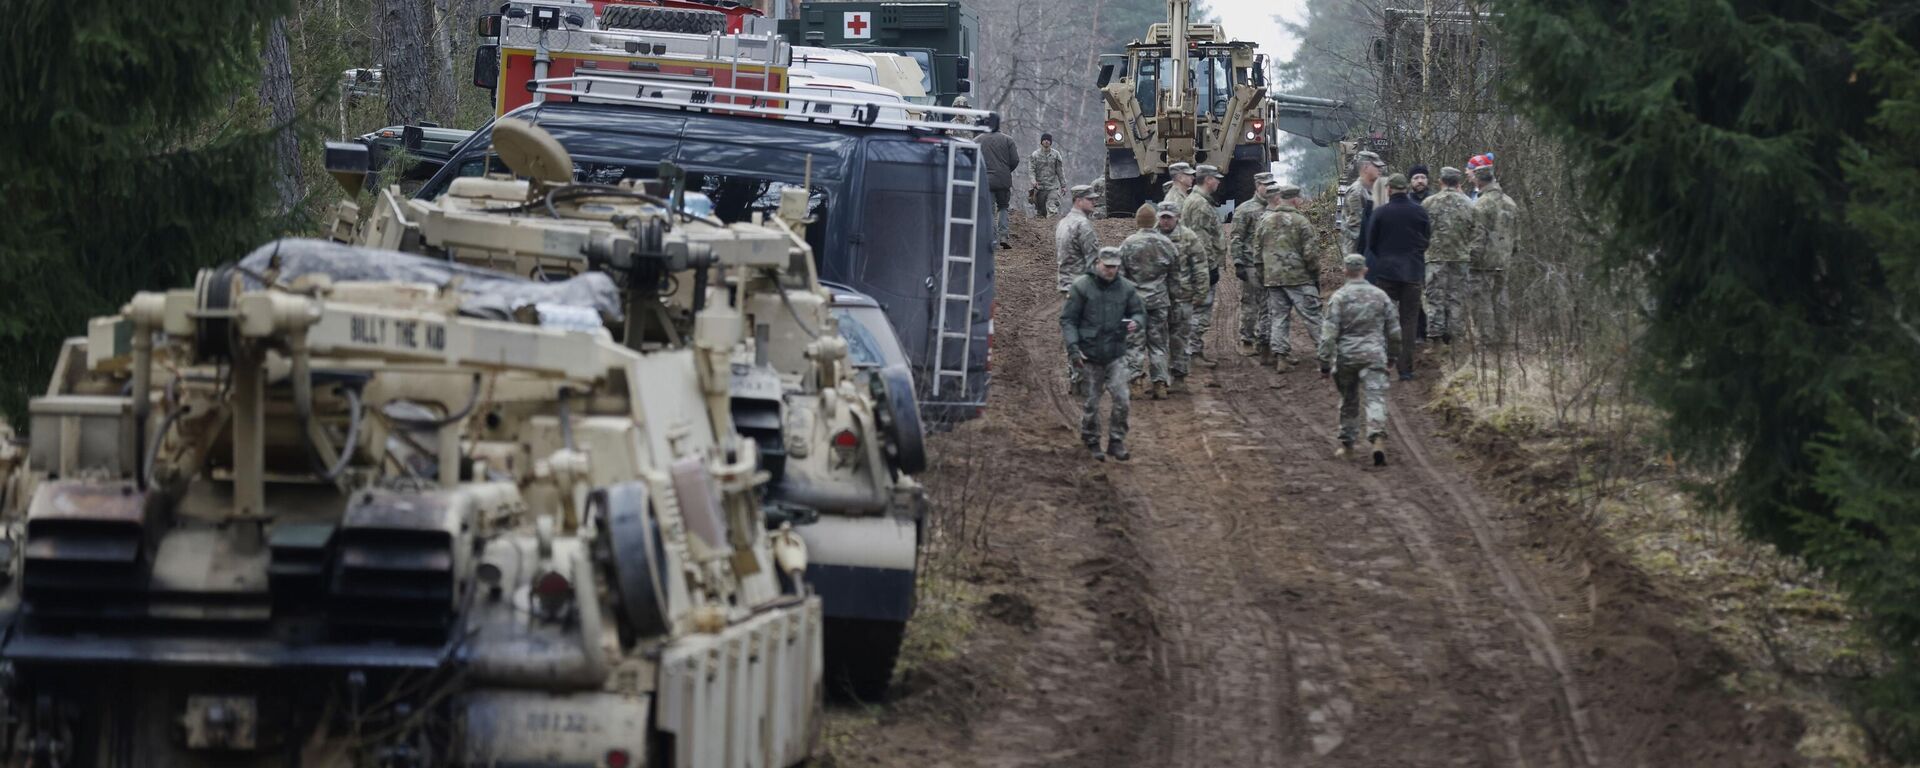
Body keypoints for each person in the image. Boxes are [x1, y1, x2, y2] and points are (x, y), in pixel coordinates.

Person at [1062, 248, 1145, 461]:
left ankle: (1116, 441)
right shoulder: (1082, 287)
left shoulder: (1126, 288)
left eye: (1114, 267)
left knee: (1122, 399)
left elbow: (1138, 311)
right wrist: (1073, 349)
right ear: (1098, 263)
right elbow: (1068, 320)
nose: (1110, 270)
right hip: (1089, 355)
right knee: (1091, 403)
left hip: (1115, 353)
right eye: (1107, 266)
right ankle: (1091, 441)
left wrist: (1136, 322)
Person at [1318, 254, 1402, 466]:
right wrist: (1392, 356)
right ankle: (1377, 438)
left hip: (1347, 356)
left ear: (1345, 271)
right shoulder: (1380, 296)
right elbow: (1394, 331)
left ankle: (1348, 445)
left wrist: (1324, 363)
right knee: (1375, 398)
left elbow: (1328, 335)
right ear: (1365, 270)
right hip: (1374, 354)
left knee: (1349, 400)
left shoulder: (1339, 297)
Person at [1363, 173, 1429, 381]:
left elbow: (1371, 243)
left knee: (1385, 317)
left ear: (1389, 189)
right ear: (1406, 188)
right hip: (1412, 273)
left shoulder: (1380, 213)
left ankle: (1384, 363)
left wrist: (1384, 258)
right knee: (1409, 321)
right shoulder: (1419, 211)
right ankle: (1405, 369)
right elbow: (1427, 239)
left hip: (1387, 273)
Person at [1257, 181, 1322, 372]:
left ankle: (1281, 358)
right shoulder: (1301, 221)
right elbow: (1310, 254)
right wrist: (1314, 274)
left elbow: (1257, 252)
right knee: (1313, 316)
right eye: (1299, 198)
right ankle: (1326, 355)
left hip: (1273, 278)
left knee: (1279, 317)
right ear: (1294, 200)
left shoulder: (1265, 221)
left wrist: (1263, 274)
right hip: (1298, 278)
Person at [1119, 203, 1179, 399]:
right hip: (1159, 303)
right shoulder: (1167, 244)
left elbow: (1120, 278)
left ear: (1137, 222)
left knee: (1133, 345)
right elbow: (1174, 277)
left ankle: (1135, 382)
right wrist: (1174, 301)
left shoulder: (1128, 244)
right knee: (1159, 344)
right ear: (1155, 222)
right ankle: (1160, 383)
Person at [1420, 166, 1474, 345]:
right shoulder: (1468, 203)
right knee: (1456, 297)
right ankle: (1455, 336)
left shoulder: (1429, 202)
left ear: (1440, 181)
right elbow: (1475, 230)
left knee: (1435, 297)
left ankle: (1435, 337)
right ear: (1458, 182)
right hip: (1460, 257)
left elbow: (1422, 230)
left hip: (1435, 257)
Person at [1180, 164, 1227, 368]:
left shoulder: (1198, 201)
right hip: (1202, 266)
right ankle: (1192, 351)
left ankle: (1192, 349)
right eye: (1216, 178)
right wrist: (1209, 268)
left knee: (1198, 309)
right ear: (1208, 180)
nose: (1218, 182)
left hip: (1198, 265)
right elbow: (1201, 241)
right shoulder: (1199, 204)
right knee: (1201, 310)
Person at [1468, 163, 1518, 350]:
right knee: (1501, 297)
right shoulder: (1510, 202)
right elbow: (1516, 236)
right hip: (1504, 259)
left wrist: (1471, 257)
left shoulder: (1481, 204)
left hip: (1483, 261)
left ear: (1479, 181)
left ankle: (1486, 340)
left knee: (1481, 300)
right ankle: (1503, 337)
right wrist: (1509, 253)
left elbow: (1477, 235)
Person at [1157, 199, 1205, 393]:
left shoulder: (1188, 237)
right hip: (1157, 298)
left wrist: (1200, 293)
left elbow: (1200, 267)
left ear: (1177, 217)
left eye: (1169, 218)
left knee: (1180, 338)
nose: (1165, 221)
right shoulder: (1152, 236)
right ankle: (1159, 379)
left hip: (1182, 297)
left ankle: (1179, 377)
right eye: (1162, 218)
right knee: (1158, 340)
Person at [1231, 171, 1276, 356]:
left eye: (1272, 185)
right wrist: (1238, 262)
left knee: (1270, 305)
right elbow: (1236, 237)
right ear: (1258, 186)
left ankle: (1266, 341)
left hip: (1272, 265)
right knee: (1250, 303)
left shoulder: (1276, 208)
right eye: (1266, 185)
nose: (1269, 188)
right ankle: (1247, 340)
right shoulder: (1245, 209)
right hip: (1251, 264)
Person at [977, 114, 1020, 249]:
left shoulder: (977, 140)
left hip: (985, 181)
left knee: (989, 211)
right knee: (1003, 207)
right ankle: (1003, 236)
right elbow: (1015, 160)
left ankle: (992, 240)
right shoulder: (1008, 140)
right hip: (1003, 180)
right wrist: (1006, 171)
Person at [1055, 184, 1102, 292]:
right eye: (1089, 199)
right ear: (1078, 201)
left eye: (1094, 199)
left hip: (1065, 284)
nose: (1094, 203)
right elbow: (1093, 258)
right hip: (1082, 286)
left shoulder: (1063, 222)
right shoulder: (1083, 224)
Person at [1341, 150, 1385, 255]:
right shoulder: (1356, 192)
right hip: (1357, 252)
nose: (1380, 169)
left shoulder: (1373, 189)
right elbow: (1357, 228)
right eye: (1376, 166)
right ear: (1365, 168)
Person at [1028, 134, 1066, 217]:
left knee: (1052, 209)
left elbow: (1060, 171)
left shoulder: (1056, 155)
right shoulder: (1035, 155)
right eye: (1044, 140)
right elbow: (1031, 170)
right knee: (1041, 213)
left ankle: (1052, 224)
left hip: (1052, 187)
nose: (1046, 141)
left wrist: (1063, 185)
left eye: (1048, 140)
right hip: (1039, 188)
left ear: (1051, 142)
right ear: (1041, 142)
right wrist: (1033, 181)